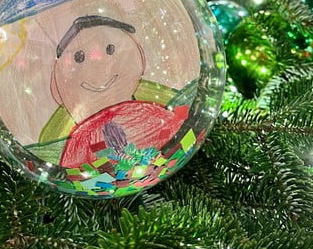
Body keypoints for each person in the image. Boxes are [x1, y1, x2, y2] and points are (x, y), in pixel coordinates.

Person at [29, 15, 194, 167]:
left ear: (141, 57)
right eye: (79, 58)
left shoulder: (150, 115)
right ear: (56, 86)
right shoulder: (83, 139)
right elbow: (72, 170)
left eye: (110, 49)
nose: (98, 64)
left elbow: (177, 135)